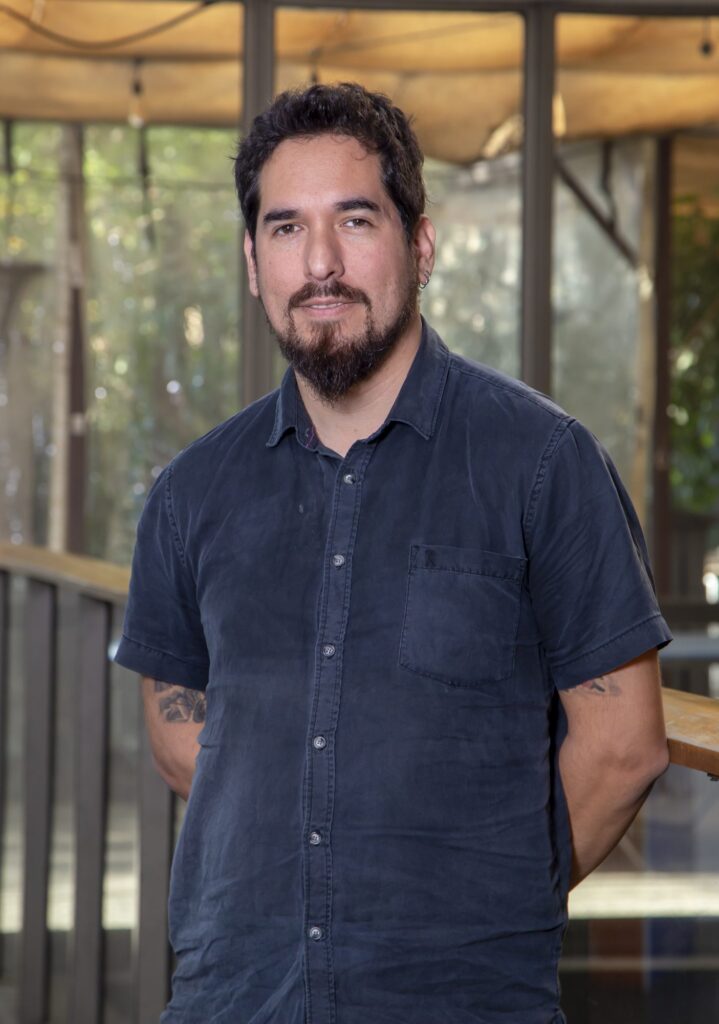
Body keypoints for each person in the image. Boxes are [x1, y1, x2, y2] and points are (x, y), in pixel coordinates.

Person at [114, 82, 673, 1024]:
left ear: (420, 245)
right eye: (285, 228)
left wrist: (478, 901)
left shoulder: (542, 462)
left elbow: (623, 748)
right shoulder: (192, 491)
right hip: (234, 999)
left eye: (354, 220)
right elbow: (180, 727)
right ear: (252, 262)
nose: (319, 264)